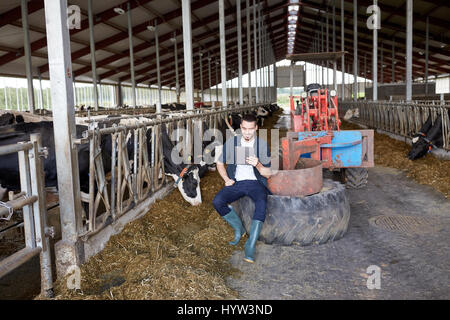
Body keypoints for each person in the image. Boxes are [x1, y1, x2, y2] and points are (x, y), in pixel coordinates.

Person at [212, 113, 271, 263]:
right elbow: (219, 163)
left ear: (256, 128)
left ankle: (250, 245)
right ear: (240, 128)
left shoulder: (262, 145)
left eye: (250, 129)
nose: (247, 132)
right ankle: (239, 229)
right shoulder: (232, 142)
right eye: (244, 128)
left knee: (262, 203)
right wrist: (226, 179)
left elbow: (268, 174)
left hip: (256, 183)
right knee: (217, 201)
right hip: (237, 182)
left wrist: (258, 164)